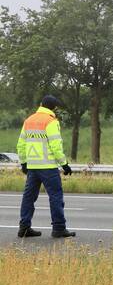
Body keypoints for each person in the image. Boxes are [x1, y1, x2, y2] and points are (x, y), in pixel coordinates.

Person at [16, 95, 76, 238]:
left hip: (32, 167)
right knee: (55, 196)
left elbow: (21, 144)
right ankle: (59, 228)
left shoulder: (29, 120)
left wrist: (24, 162)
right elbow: (55, 145)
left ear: (41, 104)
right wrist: (64, 164)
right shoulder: (51, 121)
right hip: (48, 167)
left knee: (28, 197)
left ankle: (24, 227)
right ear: (54, 108)